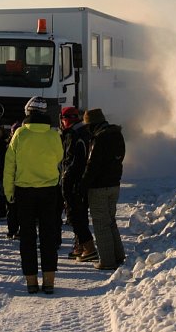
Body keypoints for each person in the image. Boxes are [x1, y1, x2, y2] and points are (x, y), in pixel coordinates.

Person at [4, 96, 63, 294]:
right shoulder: (53, 135)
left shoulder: (19, 134)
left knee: (27, 237)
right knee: (48, 235)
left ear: (27, 113)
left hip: (24, 191)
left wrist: (9, 192)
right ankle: (49, 281)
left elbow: (9, 166)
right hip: (49, 191)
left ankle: (31, 281)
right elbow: (59, 157)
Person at [79, 108, 126, 270]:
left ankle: (107, 261)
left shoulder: (99, 138)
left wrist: (83, 185)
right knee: (111, 221)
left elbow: (92, 166)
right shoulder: (117, 134)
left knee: (101, 223)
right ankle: (118, 255)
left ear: (92, 124)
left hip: (98, 187)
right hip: (114, 185)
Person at [59, 107, 96, 261]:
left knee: (75, 215)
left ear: (65, 119)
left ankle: (89, 247)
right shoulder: (82, 132)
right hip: (81, 181)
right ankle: (80, 245)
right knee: (77, 214)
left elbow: (76, 161)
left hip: (75, 182)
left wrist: (67, 179)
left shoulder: (75, 135)